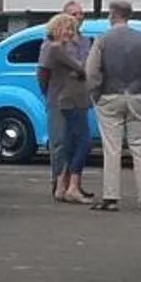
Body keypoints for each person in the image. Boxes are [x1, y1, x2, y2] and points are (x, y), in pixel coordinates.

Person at [85, 2, 141, 213]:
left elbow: (92, 72)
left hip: (110, 96)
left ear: (113, 15)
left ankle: (111, 197)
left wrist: (94, 94)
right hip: (137, 96)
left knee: (112, 148)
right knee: (140, 147)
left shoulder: (103, 39)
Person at [38, 11, 93, 203]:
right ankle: (65, 184)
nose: (71, 32)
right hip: (66, 99)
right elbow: (80, 68)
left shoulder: (65, 46)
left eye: (73, 29)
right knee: (71, 142)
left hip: (73, 98)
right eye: (67, 28)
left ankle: (63, 185)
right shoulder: (54, 48)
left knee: (70, 142)